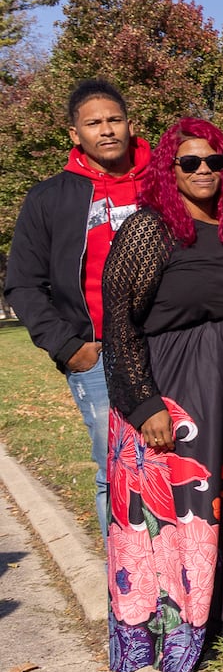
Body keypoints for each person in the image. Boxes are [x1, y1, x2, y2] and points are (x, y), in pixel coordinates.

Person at [99, 118, 223, 672]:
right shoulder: (150, 230)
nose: (203, 170)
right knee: (170, 508)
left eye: (215, 162)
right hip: (171, 387)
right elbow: (119, 323)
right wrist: (144, 404)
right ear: (170, 169)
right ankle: (162, 625)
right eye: (190, 162)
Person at [6, 79, 149, 539]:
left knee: (178, 458)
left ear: (130, 125)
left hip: (167, 343)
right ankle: (126, 586)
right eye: (94, 123)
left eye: (114, 120)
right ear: (75, 134)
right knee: (116, 464)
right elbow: (23, 284)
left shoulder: (167, 180)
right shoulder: (50, 198)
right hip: (98, 355)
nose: (106, 130)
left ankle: (180, 573)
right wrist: (69, 347)